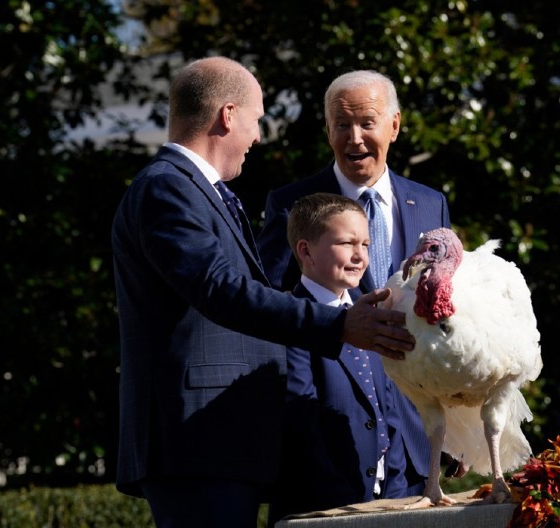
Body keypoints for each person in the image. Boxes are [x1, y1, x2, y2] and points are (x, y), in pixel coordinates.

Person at [110, 57, 416, 528]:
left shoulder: (197, 191)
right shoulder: (166, 188)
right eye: (256, 120)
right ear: (227, 116)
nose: (257, 137)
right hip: (198, 443)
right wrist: (338, 322)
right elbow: (220, 289)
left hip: (220, 443)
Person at [256, 69, 454, 498]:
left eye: (367, 122)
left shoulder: (431, 203)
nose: (355, 137)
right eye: (342, 124)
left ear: (394, 126)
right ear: (327, 129)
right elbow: (268, 308)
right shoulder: (291, 204)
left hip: (420, 446)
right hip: (331, 447)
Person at [267, 193, 422, 526]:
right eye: (346, 243)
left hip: (385, 508)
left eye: (365, 244)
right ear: (305, 251)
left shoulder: (369, 317)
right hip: (320, 510)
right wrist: (345, 508)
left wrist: (393, 497)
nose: (359, 256)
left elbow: (389, 413)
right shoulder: (289, 323)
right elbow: (300, 424)